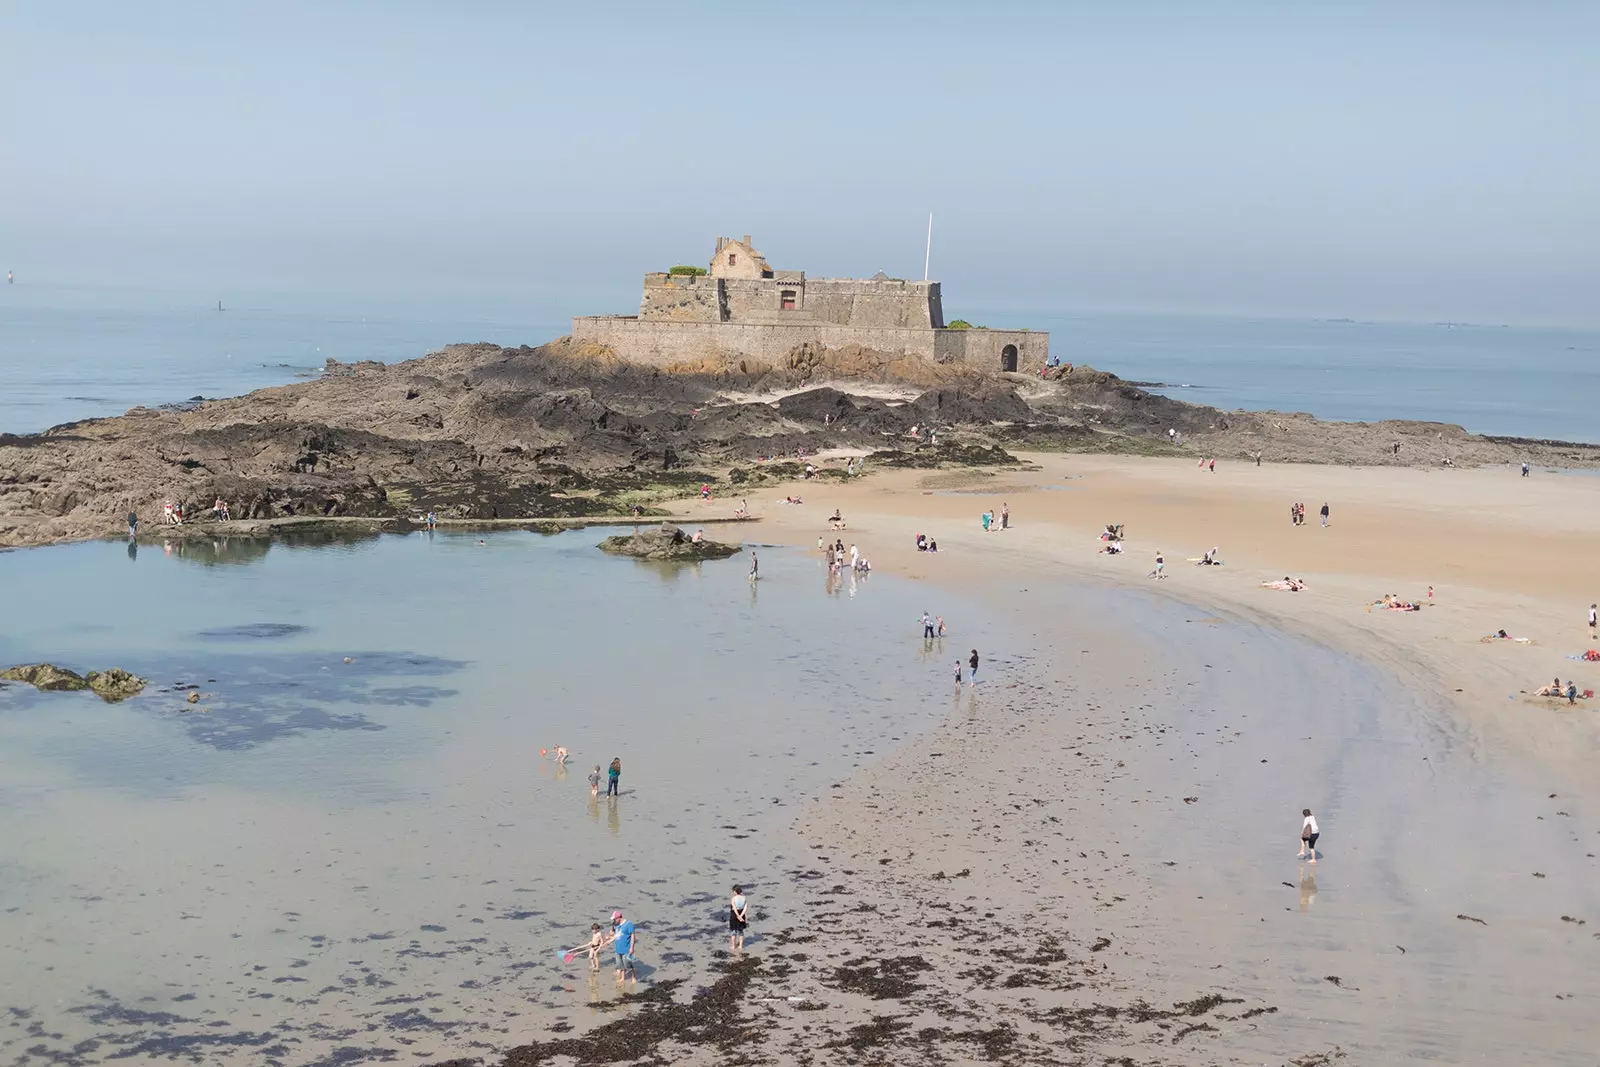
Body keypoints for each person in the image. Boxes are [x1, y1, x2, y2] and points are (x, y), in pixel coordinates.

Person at [610, 911, 638, 984]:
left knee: (628, 964)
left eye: (615, 919)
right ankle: (623, 978)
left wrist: (632, 948)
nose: (614, 920)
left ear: (619, 918)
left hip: (626, 949)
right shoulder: (617, 925)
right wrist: (609, 941)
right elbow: (616, 935)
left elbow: (632, 936)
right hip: (618, 948)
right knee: (620, 965)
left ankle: (633, 977)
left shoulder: (628, 924)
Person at [729, 885, 749, 953]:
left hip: (734, 916)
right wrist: (741, 916)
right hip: (742, 915)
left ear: (735, 891)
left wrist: (738, 916)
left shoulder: (733, 898)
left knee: (733, 931)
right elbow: (745, 908)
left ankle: (733, 946)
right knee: (740, 931)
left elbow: (734, 908)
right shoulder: (744, 898)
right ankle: (740, 946)